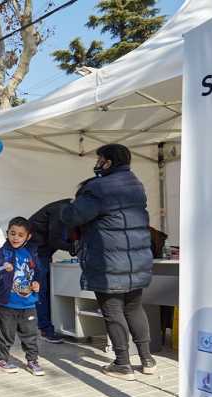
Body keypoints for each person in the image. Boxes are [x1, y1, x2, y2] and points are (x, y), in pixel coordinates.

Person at [60, 143, 155, 380]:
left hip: (108, 260)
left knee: (113, 311)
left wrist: (67, 206)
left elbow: (73, 216)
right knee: (134, 307)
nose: (98, 163)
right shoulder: (136, 184)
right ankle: (147, 359)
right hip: (136, 259)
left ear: (108, 162)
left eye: (100, 158)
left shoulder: (98, 188)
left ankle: (123, 364)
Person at [0, 217, 46, 377]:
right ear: (7, 233)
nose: (16, 238)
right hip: (7, 304)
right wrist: (1, 268)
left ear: (28, 237)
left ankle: (32, 361)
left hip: (29, 304)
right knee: (6, 336)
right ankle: (2, 360)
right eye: (12, 233)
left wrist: (36, 283)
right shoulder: (3, 252)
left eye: (20, 235)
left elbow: (39, 273)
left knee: (31, 336)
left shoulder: (31, 253)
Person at [28, 199, 78, 344]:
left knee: (47, 289)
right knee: (42, 290)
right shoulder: (62, 210)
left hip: (43, 251)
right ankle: (45, 329)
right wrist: (74, 247)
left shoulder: (70, 210)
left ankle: (47, 326)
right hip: (36, 251)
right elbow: (55, 240)